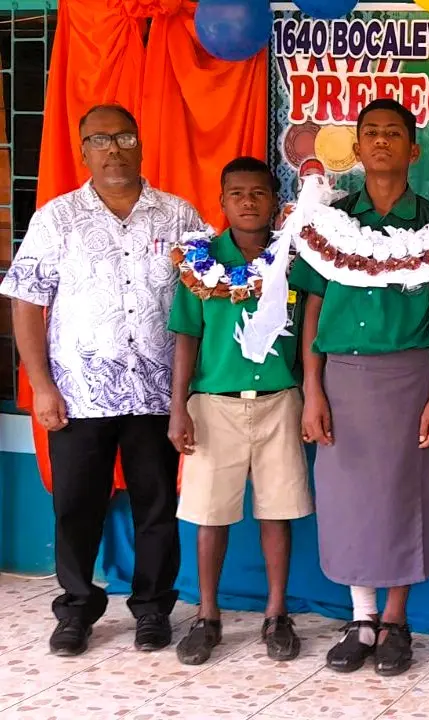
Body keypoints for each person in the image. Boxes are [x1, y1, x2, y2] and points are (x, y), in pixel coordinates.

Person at [1, 104, 206, 656]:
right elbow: (26, 302)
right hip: (78, 393)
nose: (113, 149)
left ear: (140, 143)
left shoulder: (180, 217)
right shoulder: (57, 218)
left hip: (158, 392)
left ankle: (153, 609)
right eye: (99, 139)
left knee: (156, 506)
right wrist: (41, 385)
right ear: (83, 151)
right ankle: (75, 609)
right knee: (76, 507)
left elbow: (205, 297)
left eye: (123, 137)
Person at [289, 98, 429, 677]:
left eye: (394, 133)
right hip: (340, 378)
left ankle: (395, 620)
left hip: (410, 378)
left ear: (414, 150)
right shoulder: (330, 222)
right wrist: (313, 390)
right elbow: (312, 309)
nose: (382, 141)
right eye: (371, 133)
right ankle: (361, 618)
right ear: (357, 148)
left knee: (403, 496)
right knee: (348, 501)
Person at [166, 157, 312, 665]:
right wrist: (178, 407)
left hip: (279, 402)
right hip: (214, 405)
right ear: (222, 202)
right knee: (210, 515)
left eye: (258, 193)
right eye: (237, 194)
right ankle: (207, 616)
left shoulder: (294, 259)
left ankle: (276, 614)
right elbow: (187, 336)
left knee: (278, 510)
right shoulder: (199, 264)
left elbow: (308, 333)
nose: (248, 202)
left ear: (274, 201)